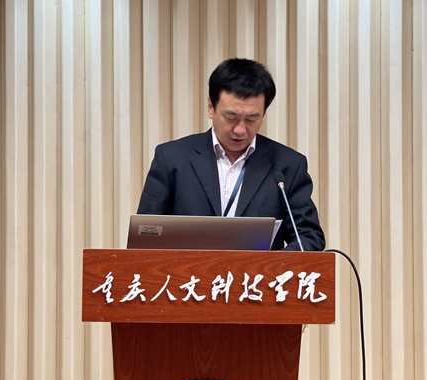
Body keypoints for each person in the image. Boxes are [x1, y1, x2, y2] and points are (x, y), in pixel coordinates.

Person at [137, 58, 325, 251]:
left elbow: (308, 237)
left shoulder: (287, 165)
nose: (240, 130)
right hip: (186, 270)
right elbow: (145, 235)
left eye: (251, 119)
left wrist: (271, 264)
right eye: (231, 118)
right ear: (211, 107)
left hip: (258, 271)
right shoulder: (172, 158)